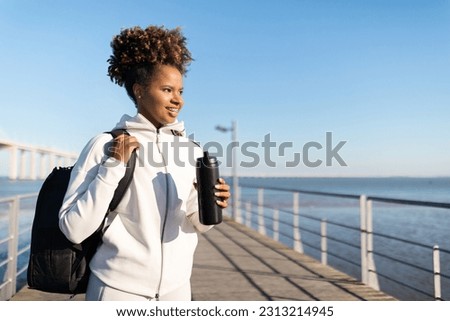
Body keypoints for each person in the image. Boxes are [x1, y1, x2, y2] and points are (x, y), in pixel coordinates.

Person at [59, 25, 231, 301]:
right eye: (167, 89)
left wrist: (209, 203)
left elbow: (195, 224)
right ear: (139, 91)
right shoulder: (104, 145)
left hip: (178, 290)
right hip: (117, 290)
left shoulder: (192, 151)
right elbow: (73, 229)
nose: (179, 100)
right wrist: (113, 166)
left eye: (180, 91)